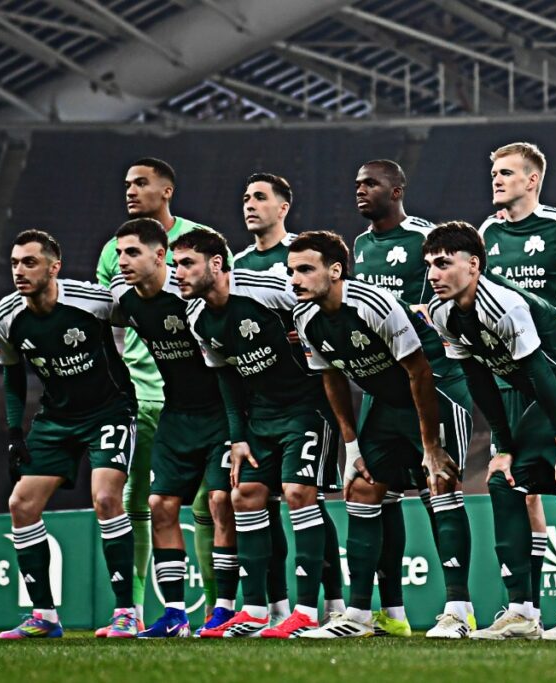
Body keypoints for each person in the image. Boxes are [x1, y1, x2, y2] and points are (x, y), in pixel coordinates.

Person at [424, 221, 556, 641]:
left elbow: (540, 373)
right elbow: (479, 380)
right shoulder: (442, 313)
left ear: (474, 265)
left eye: (443, 264)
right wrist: (503, 447)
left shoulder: (503, 304)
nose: (433, 274)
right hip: (553, 397)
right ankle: (521, 612)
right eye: (429, 265)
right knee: (503, 480)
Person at [289, 231, 475, 639]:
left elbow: (420, 371)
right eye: (291, 272)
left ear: (335, 271)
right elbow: (332, 378)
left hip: (438, 391)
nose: (295, 280)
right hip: (387, 403)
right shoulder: (304, 318)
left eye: (305, 269)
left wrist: (430, 446)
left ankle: (459, 611)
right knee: (363, 488)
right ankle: (359, 615)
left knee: (440, 484)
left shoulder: (371, 304)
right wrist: (351, 445)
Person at [176, 228, 341, 639]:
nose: (177, 273)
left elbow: (321, 304)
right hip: (260, 417)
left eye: (186, 263)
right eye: (175, 265)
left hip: (306, 407)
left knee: (299, 493)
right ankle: (254, 610)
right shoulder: (196, 318)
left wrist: (305, 335)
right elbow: (226, 378)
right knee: (244, 495)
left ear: (216, 264)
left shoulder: (265, 289)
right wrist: (238, 437)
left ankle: (311, 610)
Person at [0, 230, 137, 638]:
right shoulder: (5, 317)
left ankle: (127, 612)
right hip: (56, 419)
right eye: (15, 263)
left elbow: (141, 315)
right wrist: (14, 431)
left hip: (110, 411)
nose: (19, 271)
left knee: (106, 498)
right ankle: (44, 616)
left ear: (54, 267)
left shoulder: (91, 301)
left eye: (30, 262)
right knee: (21, 504)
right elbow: (12, 375)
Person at [478, 142, 556, 623]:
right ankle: (523, 610)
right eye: (494, 172)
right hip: (508, 381)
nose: (496, 179)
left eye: (506, 172)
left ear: (532, 180)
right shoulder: (487, 232)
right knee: (516, 486)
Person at [94, 158, 218, 629]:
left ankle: (218, 611)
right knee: (139, 503)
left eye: (141, 183)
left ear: (167, 190)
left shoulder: (198, 240)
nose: (130, 190)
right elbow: (111, 314)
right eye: (127, 183)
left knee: (211, 504)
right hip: (144, 395)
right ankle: (133, 611)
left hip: (202, 399)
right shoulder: (114, 252)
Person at [107, 219, 237, 638]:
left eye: (132, 252)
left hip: (221, 414)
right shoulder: (125, 300)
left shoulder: (190, 297)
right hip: (176, 414)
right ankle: (175, 614)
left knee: (220, 501)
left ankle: (224, 609)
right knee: (160, 504)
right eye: (119, 253)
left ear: (159, 256)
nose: (122, 261)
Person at [231, 172, 345, 626]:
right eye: (245, 197)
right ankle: (272, 607)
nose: (249, 204)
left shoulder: (301, 256)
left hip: (307, 398)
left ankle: (331, 603)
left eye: (260, 197)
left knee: (303, 495)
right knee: (255, 497)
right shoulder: (236, 265)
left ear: (283, 208)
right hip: (259, 406)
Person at [350, 159, 439, 636]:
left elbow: (453, 290)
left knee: (435, 491)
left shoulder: (425, 237)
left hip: (424, 381)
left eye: (371, 183)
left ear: (397, 190)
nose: (361, 190)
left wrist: (430, 312)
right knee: (375, 492)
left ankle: (460, 607)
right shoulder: (361, 245)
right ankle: (390, 614)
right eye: (357, 184)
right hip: (378, 387)